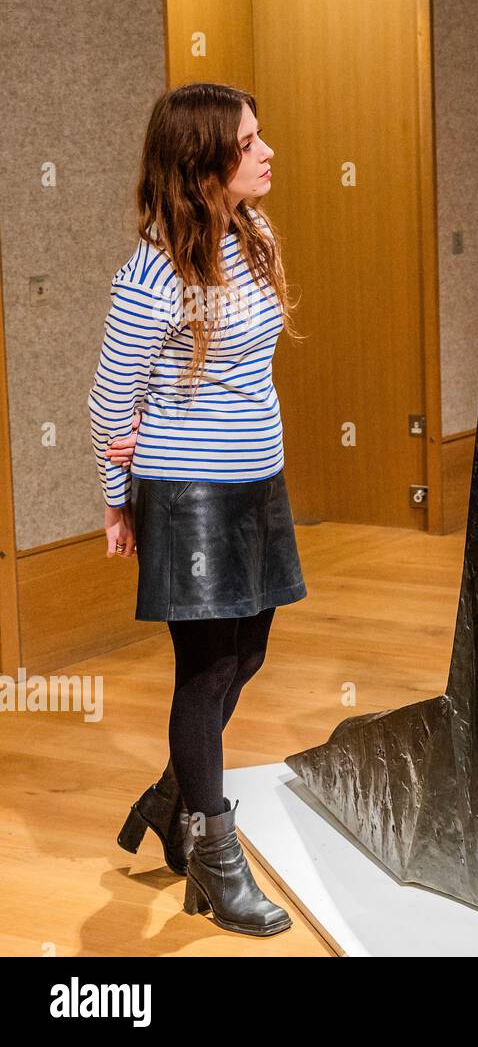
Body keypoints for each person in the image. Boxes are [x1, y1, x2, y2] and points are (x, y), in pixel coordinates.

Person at [89, 82, 306, 937]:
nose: (267, 152)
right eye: (249, 142)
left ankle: (176, 794)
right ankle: (214, 856)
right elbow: (114, 397)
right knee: (207, 670)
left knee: (248, 654)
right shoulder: (152, 274)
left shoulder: (255, 239)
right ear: (203, 163)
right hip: (190, 495)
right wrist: (118, 501)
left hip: (259, 483)